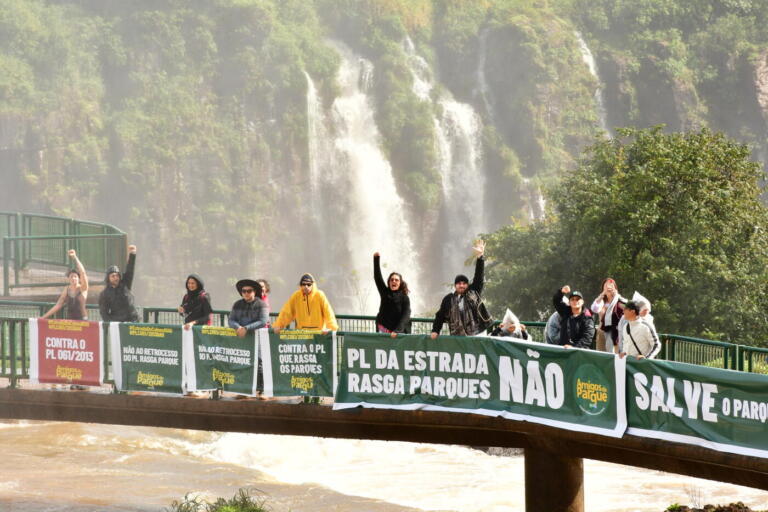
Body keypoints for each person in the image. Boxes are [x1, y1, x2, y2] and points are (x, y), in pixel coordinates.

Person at [431, 240, 490, 338]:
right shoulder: (448, 299)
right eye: (459, 283)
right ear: (455, 286)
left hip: (477, 334)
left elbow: (479, 277)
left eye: (464, 283)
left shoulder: (473, 292)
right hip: (457, 336)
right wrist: (435, 330)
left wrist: (480, 257)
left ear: (467, 285)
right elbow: (440, 316)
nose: (461, 285)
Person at [273, 274, 338, 333]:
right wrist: (278, 325)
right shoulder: (296, 296)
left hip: (318, 335)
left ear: (313, 285)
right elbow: (286, 312)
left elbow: (328, 312)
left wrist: (332, 328)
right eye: (303, 284)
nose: (306, 286)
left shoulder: (320, 295)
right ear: (300, 285)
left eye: (309, 284)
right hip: (302, 335)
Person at [41, 249, 89, 320]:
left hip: (82, 320)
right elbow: (58, 305)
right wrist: (43, 317)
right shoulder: (67, 289)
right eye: (71, 276)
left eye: (75, 276)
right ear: (68, 279)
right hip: (70, 320)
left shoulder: (83, 288)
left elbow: (83, 272)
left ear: (79, 278)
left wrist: (75, 258)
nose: (73, 278)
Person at [373, 252, 411, 337]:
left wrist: (397, 330)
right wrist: (376, 259)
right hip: (383, 330)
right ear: (389, 282)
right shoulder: (384, 292)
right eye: (392, 280)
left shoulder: (405, 298)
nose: (394, 281)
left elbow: (406, 314)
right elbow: (377, 278)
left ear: (400, 283)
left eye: (396, 280)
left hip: (397, 332)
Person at [99, 245, 139, 322]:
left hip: (133, 321)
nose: (115, 278)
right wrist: (113, 325)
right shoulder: (104, 294)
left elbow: (130, 270)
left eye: (117, 275)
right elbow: (104, 314)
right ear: (108, 278)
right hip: (119, 325)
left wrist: (132, 254)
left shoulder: (125, 285)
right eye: (113, 276)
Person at [590, 278, 625, 353]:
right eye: (606, 285)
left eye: (611, 285)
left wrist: (616, 296)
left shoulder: (619, 300)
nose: (608, 288)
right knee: (600, 354)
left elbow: (627, 306)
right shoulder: (601, 301)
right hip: (601, 331)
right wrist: (602, 294)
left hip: (615, 332)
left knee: (612, 354)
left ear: (615, 288)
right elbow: (594, 309)